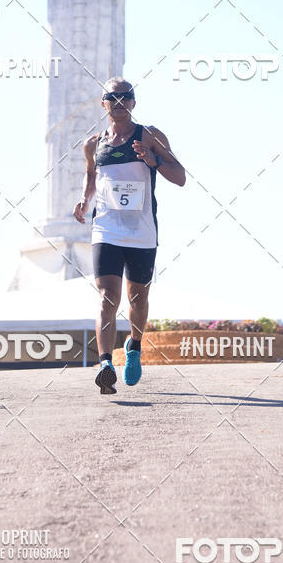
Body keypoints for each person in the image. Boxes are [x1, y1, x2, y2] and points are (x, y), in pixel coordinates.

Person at [73, 78, 186, 394]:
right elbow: (91, 175)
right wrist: (85, 200)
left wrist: (155, 161)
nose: (120, 101)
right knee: (107, 296)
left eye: (127, 97)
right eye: (113, 96)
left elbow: (180, 177)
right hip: (106, 228)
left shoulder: (149, 135)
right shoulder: (93, 145)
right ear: (103, 102)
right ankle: (106, 362)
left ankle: (134, 346)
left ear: (134, 102)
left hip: (141, 231)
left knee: (138, 298)